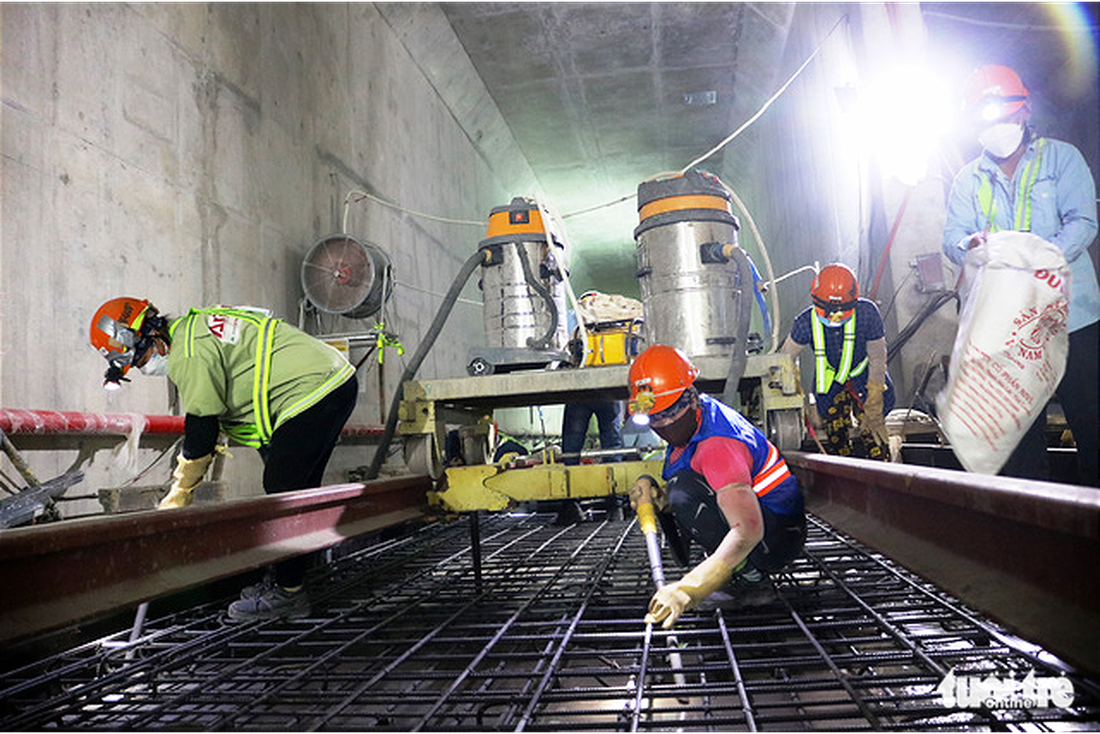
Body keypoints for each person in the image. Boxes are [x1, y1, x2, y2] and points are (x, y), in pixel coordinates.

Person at [90, 297, 359, 620]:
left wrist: (177, 497)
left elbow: (201, 431)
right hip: (330, 381)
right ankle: (293, 576)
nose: (144, 367)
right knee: (299, 490)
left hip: (313, 388)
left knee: (283, 489)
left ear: (152, 337)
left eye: (141, 357)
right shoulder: (193, 330)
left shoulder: (187, 353)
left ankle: (289, 594)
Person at [942, 64, 1099, 486]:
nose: (997, 128)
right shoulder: (967, 181)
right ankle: (1034, 538)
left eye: (1005, 117)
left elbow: (1083, 222)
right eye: (985, 120)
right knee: (1020, 455)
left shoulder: (1062, 159)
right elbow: (952, 236)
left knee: (1094, 429)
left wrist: (1034, 261)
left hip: (1072, 321)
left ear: (1024, 111)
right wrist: (970, 245)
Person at [626, 345, 806, 629]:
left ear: (689, 398)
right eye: (653, 418)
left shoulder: (717, 444)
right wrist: (660, 500)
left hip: (775, 536)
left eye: (668, 413)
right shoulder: (697, 420)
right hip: (765, 519)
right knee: (678, 490)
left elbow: (748, 530)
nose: (661, 424)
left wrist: (689, 589)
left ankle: (754, 584)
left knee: (683, 492)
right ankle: (741, 570)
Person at [779, 263, 894, 460]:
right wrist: (803, 402)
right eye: (828, 311)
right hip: (830, 386)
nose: (834, 317)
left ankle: (886, 474)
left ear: (853, 302)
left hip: (866, 379)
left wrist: (875, 396)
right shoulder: (805, 322)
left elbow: (877, 356)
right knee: (837, 440)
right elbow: (785, 360)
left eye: (840, 311)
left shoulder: (867, 313)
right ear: (816, 301)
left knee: (874, 435)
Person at [560, 400, 624, 465]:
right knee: (611, 439)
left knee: (572, 443)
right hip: (607, 395)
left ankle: (569, 470)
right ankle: (615, 469)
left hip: (579, 395)